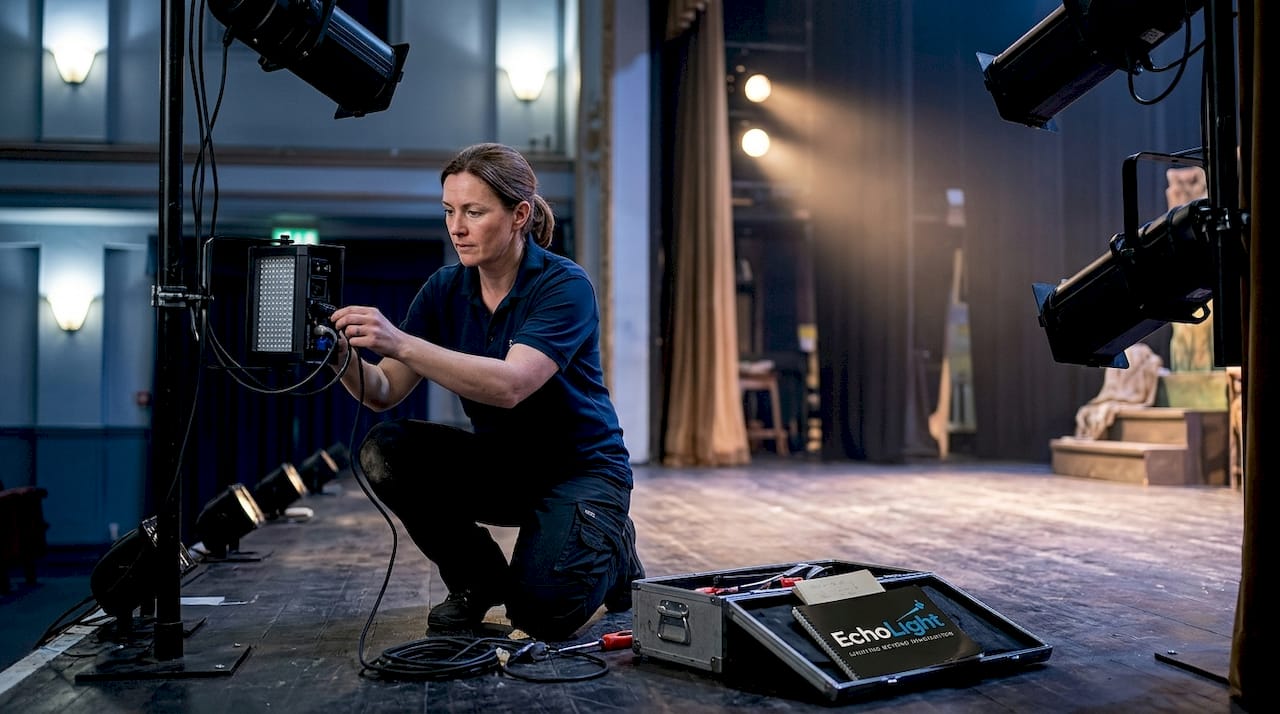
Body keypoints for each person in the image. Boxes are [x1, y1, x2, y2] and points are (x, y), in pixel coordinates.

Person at [329, 142, 643, 641]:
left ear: (519, 215)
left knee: (539, 616)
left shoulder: (564, 285)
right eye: (449, 211)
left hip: (581, 472)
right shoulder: (444, 289)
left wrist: (401, 341)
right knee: (385, 451)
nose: (457, 227)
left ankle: (614, 548)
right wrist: (337, 355)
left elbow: (511, 385)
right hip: (505, 466)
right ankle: (476, 582)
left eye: (474, 212)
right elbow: (384, 390)